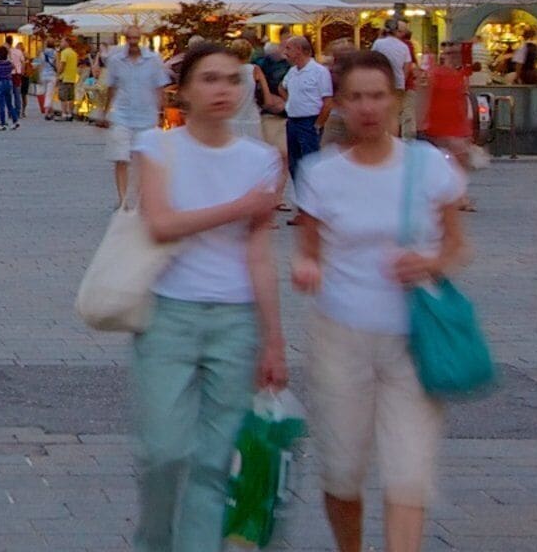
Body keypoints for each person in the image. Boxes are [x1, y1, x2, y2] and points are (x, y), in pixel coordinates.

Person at [289, 51, 469, 552]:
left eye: (377, 96)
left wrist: (431, 263)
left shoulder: (429, 166)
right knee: (343, 473)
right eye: (356, 97)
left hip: (413, 336)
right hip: (341, 338)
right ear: (340, 104)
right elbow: (308, 251)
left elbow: (456, 245)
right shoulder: (321, 174)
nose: (367, 107)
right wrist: (306, 268)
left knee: (408, 473)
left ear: (396, 100)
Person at [129, 44, 287, 552]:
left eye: (233, 80)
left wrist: (274, 341)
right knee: (163, 451)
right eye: (210, 79)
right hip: (167, 314)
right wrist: (240, 206)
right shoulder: (157, 146)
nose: (223, 90)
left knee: (215, 460)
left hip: (237, 318)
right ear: (185, 91)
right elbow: (162, 224)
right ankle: (154, 540)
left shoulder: (262, 158)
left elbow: (260, 253)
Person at [102, 36, 170, 201]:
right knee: (121, 157)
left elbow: (160, 87)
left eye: (135, 38)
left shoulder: (153, 60)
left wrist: (162, 111)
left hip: (146, 116)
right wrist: (105, 111)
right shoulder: (116, 60)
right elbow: (111, 87)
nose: (133, 42)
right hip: (122, 115)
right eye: (130, 38)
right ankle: (123, 199)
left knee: (142, 160)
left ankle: (140, 197)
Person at [278, 35, 333, 177]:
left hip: (309, 121)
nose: (286, 52)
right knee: (293, 162)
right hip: (293, 121)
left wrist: (318, 125)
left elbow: (327, 101)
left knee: (311, 162)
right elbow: (281, 87)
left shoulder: (319, 72)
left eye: (289, 48)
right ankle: (300, 195)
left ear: (299, 50)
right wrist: (291, 101)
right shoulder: (292, 71)